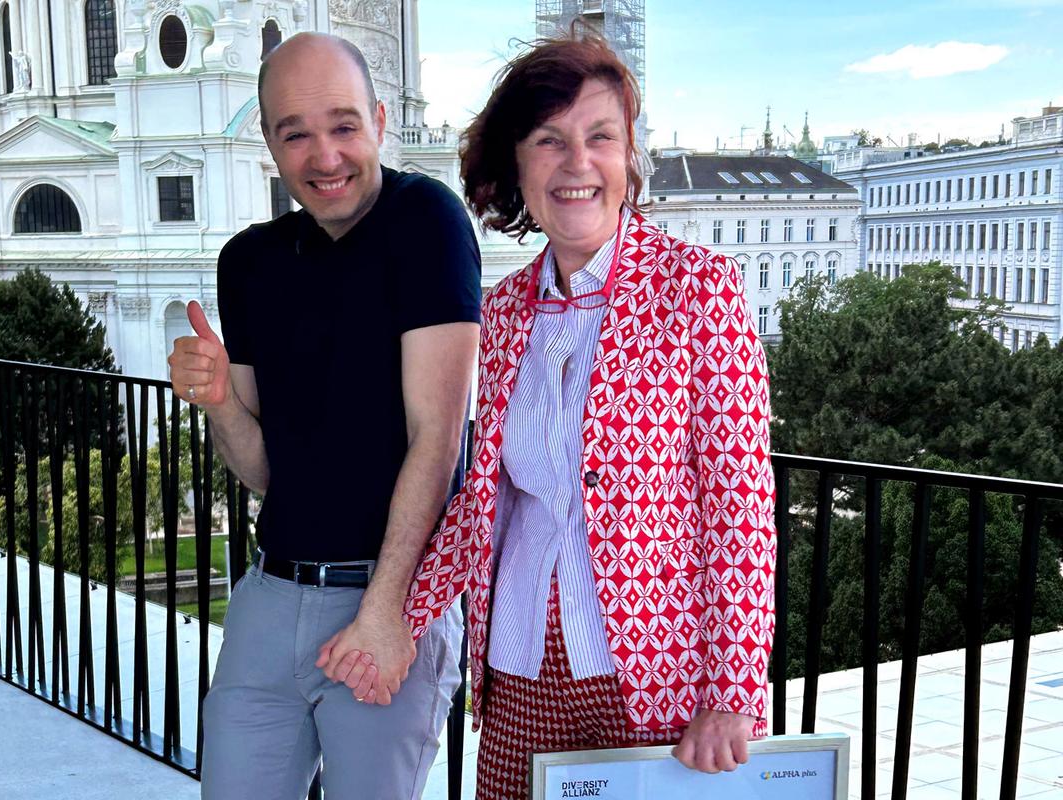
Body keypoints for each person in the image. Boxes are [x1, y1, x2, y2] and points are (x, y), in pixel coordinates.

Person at [323, 33, 777, 799]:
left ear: (629, 158)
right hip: (519, 668)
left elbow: (739, 498)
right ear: (520, 165)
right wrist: (397, 614)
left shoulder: (700, 288)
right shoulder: (503, 313)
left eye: (601, 137)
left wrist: (733, 692)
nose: (577, 163)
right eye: (549, 140)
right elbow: (482, 504)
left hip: (652, 680)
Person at [167, 32, 480, 800]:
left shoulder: (426, 221)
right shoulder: (249, 263)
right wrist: (218, 404)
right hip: (271, 596)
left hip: (388, 595)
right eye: (295, 131)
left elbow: (438, 439)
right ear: (270, 143)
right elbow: (263, 470)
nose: (324, 154)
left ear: (378, 121)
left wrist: (385, 613)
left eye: (343, 126)